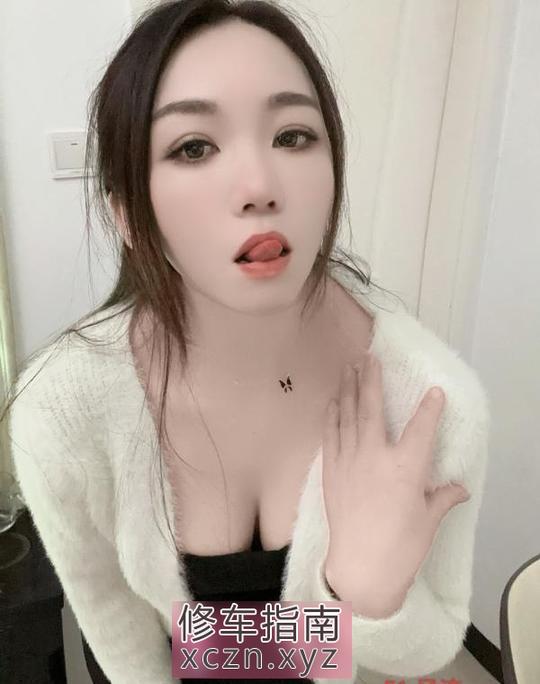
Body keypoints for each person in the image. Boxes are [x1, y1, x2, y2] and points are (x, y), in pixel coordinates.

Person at [4, 1, 491, 683]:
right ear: (129, 213)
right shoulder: (60, 409)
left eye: (293, 135)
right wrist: (278, 640)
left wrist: (366, 594)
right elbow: (114, 622)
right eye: (193, 147)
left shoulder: (431, 399)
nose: (261, 187)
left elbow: (434, 642)